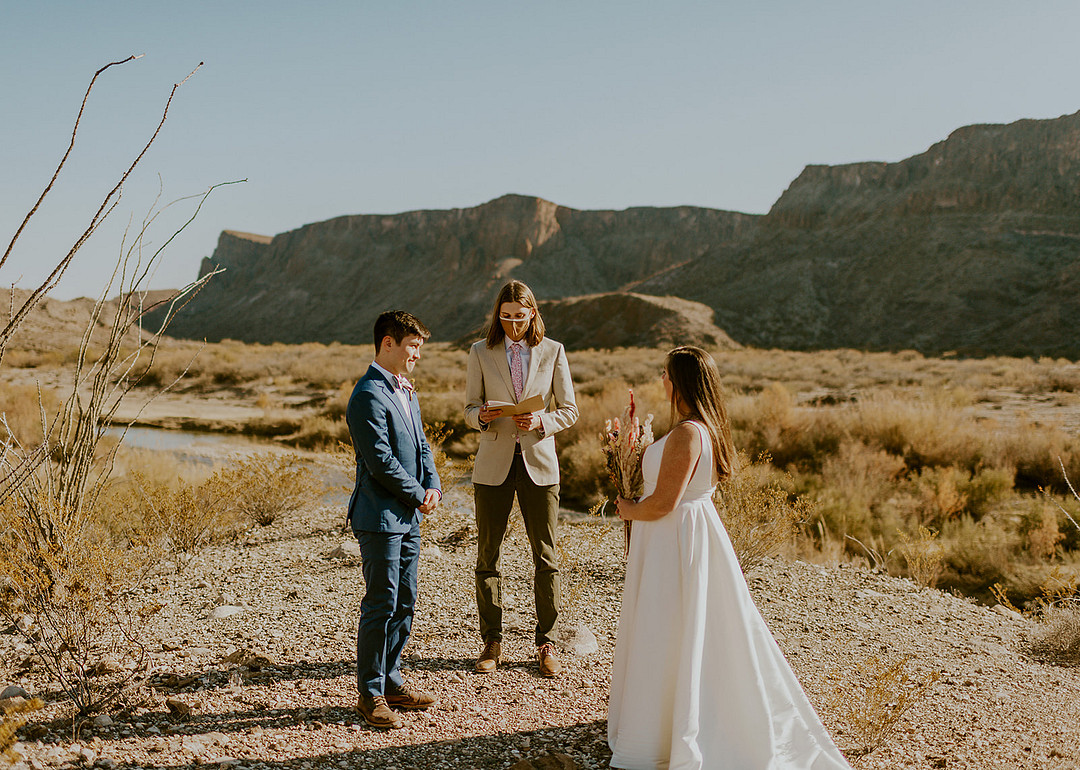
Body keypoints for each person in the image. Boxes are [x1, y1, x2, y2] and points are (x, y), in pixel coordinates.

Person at [609, 346, 851, 769]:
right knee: (687, 627)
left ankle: (672, 729)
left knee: (669, 626)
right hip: (687, 535)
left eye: (666, 374)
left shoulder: (687, 433)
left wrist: (628, 509)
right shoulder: (704, 428)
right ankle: (671, 718)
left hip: (676, 537)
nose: (661, 380)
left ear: (680, 381)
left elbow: (665, 503)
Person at [464, 280, 578, 677]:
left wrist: (541, 420)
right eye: (506, 316)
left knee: (546, 557)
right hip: (493, 464)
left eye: (520, 316)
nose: (513, 324)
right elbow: (467, 408)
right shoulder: (480, 351)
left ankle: (546, 641)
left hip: (538, 463)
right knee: (487, 557)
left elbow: (570, 409)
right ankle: (491, 641)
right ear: (498, 314)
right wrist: (481, 416)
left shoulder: (553, 351)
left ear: (533, 313)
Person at [347, 310, 442, 730]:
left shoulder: (406, 392)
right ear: (388, 343)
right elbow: (380, 461)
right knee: (381, 602)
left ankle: (392, 679)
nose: (417, 354)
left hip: (409, 516)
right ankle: (370, 694)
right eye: (413, 346)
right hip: (379, 516)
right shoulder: (367, 394)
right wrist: (418, 493)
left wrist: (434, 485)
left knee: (405, 600)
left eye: (420, 347)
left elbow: (421, 445)